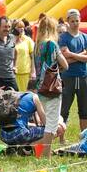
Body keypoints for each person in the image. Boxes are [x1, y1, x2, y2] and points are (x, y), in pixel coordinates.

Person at [33, 15, 69, 149]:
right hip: (53, 88)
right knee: (52, 124)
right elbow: (65, 65)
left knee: (45, 121)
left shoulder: (37, 45)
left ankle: (36, 148)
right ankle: (44, 153)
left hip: (40, 87)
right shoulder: (52, 44)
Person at [58, 9, 87, 132]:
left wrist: (73, 55)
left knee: (84, 108)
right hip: (68, 76)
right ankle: (61, 137)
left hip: (83, 76)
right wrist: (81, 54)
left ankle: (84, 135)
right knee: (64, 107)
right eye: (72, 21)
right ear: (68, 21)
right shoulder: (63, 37)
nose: (75, 23)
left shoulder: (85, 37)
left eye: (77, 21)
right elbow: (64, 55)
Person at [12, 19, 35, 91]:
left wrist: (33, 71)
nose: (21, 29)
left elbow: (32, 56)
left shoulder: (28, 40)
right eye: (19, 27)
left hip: (26, 72)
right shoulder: (10, 40)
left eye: (22, 27)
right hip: (14, 73)